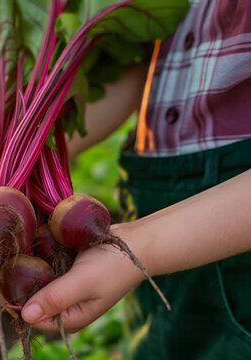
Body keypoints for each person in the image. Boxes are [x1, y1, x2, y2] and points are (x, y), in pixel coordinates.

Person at [21, 0, 251, 358]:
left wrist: (140, 246)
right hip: (156, 206)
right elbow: (142, 67)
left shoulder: (141, 245)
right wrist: (20, 161)